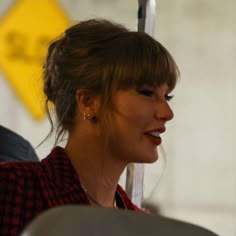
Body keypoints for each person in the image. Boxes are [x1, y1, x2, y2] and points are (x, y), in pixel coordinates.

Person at [0, 19, 179, 236]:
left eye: (166, 96)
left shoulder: (141, 225)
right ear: (88, 102)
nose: (167, 113)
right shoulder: (12, 189)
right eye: (146, 92)